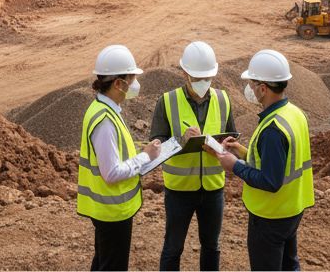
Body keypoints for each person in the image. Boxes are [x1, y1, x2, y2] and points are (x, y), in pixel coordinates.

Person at [211, 49, 314, 272]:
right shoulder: (294, 113)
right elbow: (279, 162)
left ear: (263, 88)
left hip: (270, 216)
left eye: (252, 83)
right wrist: (241, 150)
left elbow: (270, 181)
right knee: (289, 265)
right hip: (293, 208)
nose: (249, 88)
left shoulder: (273, 129)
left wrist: (233, 166)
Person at [150, 41, 236, 271]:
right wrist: (180, 140)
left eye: (206, 78)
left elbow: (232, 139)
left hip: (213, 189)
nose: (202, 83)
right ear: (185, 73)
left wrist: (222, 146)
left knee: (212, 246)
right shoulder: (167, 102)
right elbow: (155, 148)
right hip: (179, 191)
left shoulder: (223, 99)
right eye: (197, 78)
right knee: (173, 248)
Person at [78, 44, 161, 272]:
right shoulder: (104, 119)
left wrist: (144, 151)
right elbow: (111, 172)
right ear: (117, 83)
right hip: (112, 211)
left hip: (107, 209)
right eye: (131, 79)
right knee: (112, 266)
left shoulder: (104, 109)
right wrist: (145, 157)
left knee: (103, 263)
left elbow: (115, 151)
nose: (135, 84)